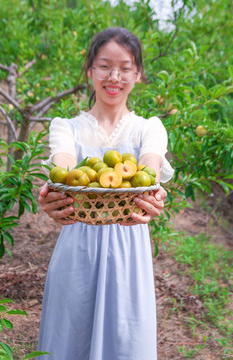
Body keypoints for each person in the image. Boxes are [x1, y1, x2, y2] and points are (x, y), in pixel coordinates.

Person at [37, 27, 174, 360]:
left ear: (138, 74)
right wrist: (54, 193)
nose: (115, 76)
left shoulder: (148, 127)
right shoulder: (65, 127)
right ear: (90, 70)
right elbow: (65, 165)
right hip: (77, 252)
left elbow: (150, 167)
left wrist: (154, 195)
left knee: (125, 343)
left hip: (130, 254)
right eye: (104, 66)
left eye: (125, 67)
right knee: (70, 339)